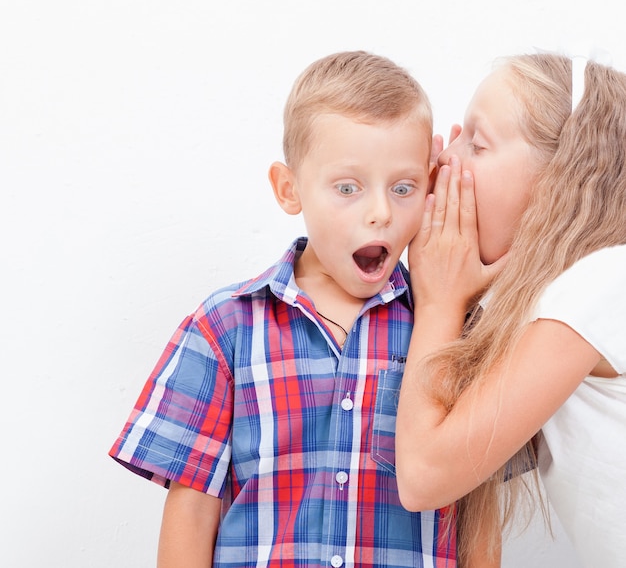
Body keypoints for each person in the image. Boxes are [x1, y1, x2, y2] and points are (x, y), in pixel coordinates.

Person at [109, 50, 466, 568]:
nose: (381, 213)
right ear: (289, 188)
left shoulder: (450, 329)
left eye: (404, 187)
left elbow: (477, 509)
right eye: (348, 187)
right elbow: (191, 514)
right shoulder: (225, 327)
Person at [395, 51, 626, 568]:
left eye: (476, 143)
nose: (444, 159)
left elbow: (424, 475)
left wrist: (439, 300)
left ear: (559, 183)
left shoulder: (602, 282)